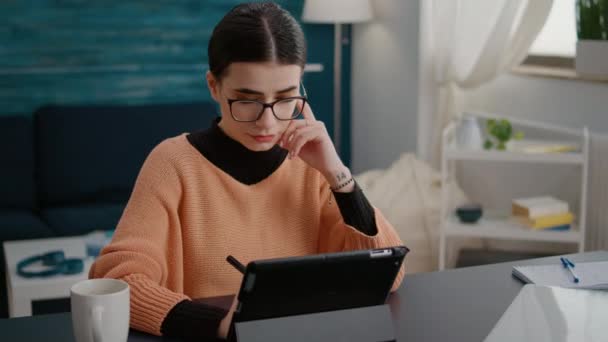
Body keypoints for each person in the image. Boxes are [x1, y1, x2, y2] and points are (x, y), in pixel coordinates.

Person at [89, 2, 405, 341]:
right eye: (247, 100)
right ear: (214, 86)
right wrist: (216, 325)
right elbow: (118, 283)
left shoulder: (311, 167)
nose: (267, 122)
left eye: (286, 98)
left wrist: (338, 174)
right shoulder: (172, 163)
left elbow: (388, 275)